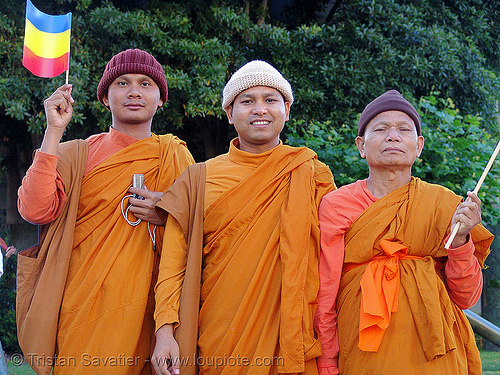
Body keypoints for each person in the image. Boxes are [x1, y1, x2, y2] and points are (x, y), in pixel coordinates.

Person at [151, 60, 335, 375]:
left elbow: (334, 257)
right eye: (247, 101)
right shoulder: (199, 178)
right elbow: (173, 263)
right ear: (230, 113)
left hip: (291, 333)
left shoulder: (311, 174)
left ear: (286, 110)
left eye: (270, 100)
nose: (259, 109)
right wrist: (164, 330)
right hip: (222, 331)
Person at [17, 49, 194, 374]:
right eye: (122, 83)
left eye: (146, 84)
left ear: (161, 100)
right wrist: (53, 132)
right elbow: (34, 209)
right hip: (84, 308)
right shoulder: (74, 155)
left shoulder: (175, 157)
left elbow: (202, 232)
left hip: (151, 311)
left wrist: (168, 213)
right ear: (105, 98)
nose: (134, 91)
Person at [314, 90, 494, 375]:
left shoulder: (444, 204)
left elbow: (466, 298)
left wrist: (461, 240)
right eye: (381, 128)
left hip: (434, 353)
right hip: (361, 351)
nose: (393, 136)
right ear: (361, 145)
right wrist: (325, 358)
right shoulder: (337, 204)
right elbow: (325, 289)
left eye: (404, 129)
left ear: (419, 146)